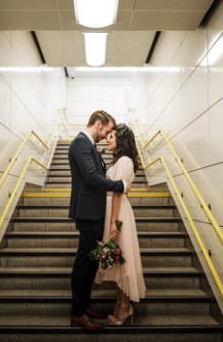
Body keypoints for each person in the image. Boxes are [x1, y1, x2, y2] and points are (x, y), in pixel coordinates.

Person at [68, 110, 131, 331]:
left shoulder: (88, 145)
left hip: (94, 211)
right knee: (84, 263)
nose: (106, 136)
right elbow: (92, 178)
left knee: (91, 261)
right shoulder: (80, 144)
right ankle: (78, 313)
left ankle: (84, 307)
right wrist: (120, 185)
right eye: (105, 130)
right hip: (87, 212)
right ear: (97, 123)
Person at [95, 123, 146, 325]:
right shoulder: (122, 161)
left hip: (118, 214)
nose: (108, 138)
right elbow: (124, 189)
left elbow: (118, 193)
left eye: (112, 136)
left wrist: (113, 223)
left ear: (121, 141)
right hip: (116, 210)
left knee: (122, 262)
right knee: (118, 262)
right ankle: (120, 305)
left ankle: (124, 307)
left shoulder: (124, 161)